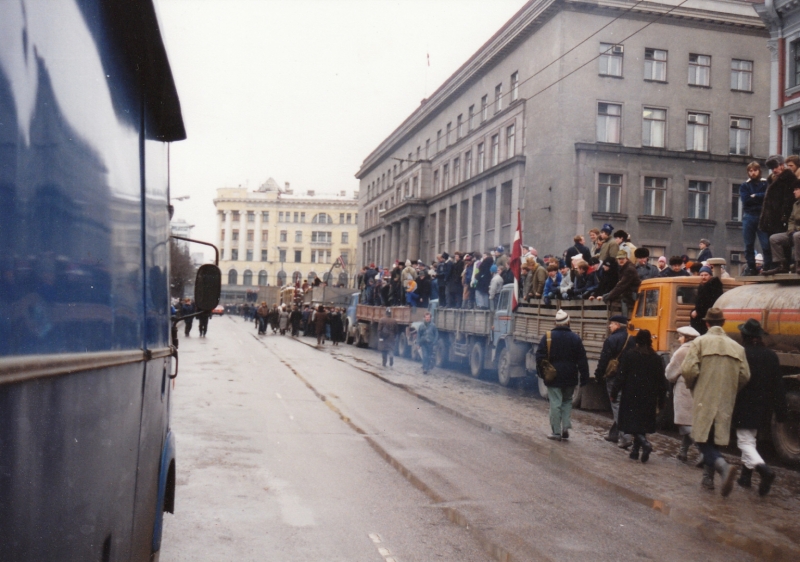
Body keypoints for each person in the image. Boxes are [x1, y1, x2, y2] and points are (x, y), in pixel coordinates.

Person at [681, 308, 750, 496]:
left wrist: (694, 386)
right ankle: (707, 479)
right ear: (724, 323)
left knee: (701, 438)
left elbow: (688, 370)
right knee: (715, 437)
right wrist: (730, 389)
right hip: (725, 399)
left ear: (706, 323)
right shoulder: (737, 347)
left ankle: (722, 468)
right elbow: (744, 375)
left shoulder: (699, 343)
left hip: (704, 396)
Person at [733, 319, 787, 496]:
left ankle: (764, 470)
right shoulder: (771, 355)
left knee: (744, 441)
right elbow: (778, 385)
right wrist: (781, 412)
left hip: (743, 403)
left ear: (744, 336)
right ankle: (745, 477)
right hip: (763, 405)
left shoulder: (741, 353)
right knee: (751, 439)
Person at [611, 330, 665, 463]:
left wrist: (614, 392)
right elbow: (661, 382)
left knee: (631, 424)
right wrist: (661, 399)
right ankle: (635, 451)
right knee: (642, 423)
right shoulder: (656, 359)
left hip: (631, 395)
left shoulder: (630, 355)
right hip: (649, 397)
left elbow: (621, 376)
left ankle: (644, 444)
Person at [535, 310, 590, 441]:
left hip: (553, 376)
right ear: (568, 322)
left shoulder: (548, 337)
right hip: (570, 376)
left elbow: (539, 357)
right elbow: (582, 359)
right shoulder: (575, 338)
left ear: (555, 322)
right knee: (567, 401)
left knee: (555, 402)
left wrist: (542, 374)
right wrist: (584, 377)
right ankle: (565, 426)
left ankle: (556, 432)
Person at [595, 315, 635, 444]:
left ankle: (626, 437)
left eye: (611, 324)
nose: (609, 326)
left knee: (617, 404)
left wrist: (598, 373)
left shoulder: (611, 340)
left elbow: (604, 359)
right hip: (627, 376)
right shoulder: (632, 339)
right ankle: (614, 434)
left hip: (614, 376)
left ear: (618, 325)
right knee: (622, 404)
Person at [664, 326, 702, 463]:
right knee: (690, 421)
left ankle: (703, 451)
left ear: (686, 338)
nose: (679, 339)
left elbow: (670, 373)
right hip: (697, 388)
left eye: (680, 336)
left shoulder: (682, 351)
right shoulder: (700, 349)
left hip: (684, 389)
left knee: (683, 422)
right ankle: (683, 452)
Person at [759, 155, 799, 270]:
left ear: (782, 166)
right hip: (772, 218)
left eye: (776, 167)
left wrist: (784, 217)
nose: (774, 170)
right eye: (772, 168)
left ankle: (784, 266)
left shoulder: (789, 178)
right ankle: (777, 265)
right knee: (772, 242)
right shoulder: (772, 179)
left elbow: (788, 200)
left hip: (781, 218)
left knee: (784, 243)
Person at [739, 162, 771, 275]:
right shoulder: (745, 185)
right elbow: (746, 200)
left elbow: (768, 197)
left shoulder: (765, 183)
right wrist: (760, 198)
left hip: (762, 216)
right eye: (750, 171)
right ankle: (751, 267)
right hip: (749, 216)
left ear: (759, 171)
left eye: (755, 170)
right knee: (748, 244)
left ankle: (767, 266)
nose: (753, 173)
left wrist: (755, 196)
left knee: (766, 243)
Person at [764, 183, 800, 275]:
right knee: (774, 238)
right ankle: (781, 265)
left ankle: (798, 264)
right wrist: (791, 230)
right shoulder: (796, 204)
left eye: (796, 189)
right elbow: (791, 219)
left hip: (798, 233)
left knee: (797, 236)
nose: (794, 192)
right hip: (795, 232)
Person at [597, 251, 640, 316]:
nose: (621, 260)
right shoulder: (623, 268)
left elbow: (621, 286)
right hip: (629, 294)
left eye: (622, 259)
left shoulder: (629, 269)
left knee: (620, 301)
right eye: (619, 259)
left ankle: (623, 321)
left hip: (632, 295)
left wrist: (608, 296)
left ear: (626, 258)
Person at [690, 266, 723, 335]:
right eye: (701, 275)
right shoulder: (702, 286)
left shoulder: (714, 287)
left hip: (707, 317)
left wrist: (698, 311)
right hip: (701, 316)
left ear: (710, 276)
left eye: (706, 275)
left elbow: (709, 303)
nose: (703, 277)